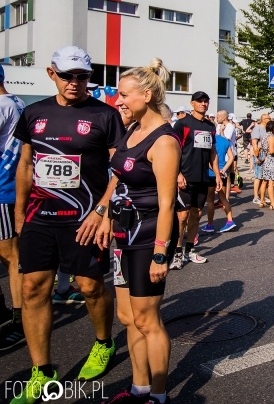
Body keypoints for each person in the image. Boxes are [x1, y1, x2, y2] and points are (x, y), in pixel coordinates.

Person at [12, 46, 125, 402]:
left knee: (90, 288)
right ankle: (41, 371)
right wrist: (19, 211)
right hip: (38, 216)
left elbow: (121, 168)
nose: (75, 83)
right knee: (32, 289)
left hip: (85, 219)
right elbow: (26, 164)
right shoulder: (33, 113)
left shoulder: (104, 115)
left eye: (82, 76)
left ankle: (103, 343)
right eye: (67, 75)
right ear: (52, 74)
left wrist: (103, 210)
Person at [95, 60, 180, 404]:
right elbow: (119, 175)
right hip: (123, 233)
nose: (118, 100)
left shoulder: (164, 141)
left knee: (147, 320)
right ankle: (139, 388)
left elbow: (167, 204)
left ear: (146, 95)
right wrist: (103, 213)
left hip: (149, 235)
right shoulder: (131, 130)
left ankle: (158, 397)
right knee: (127, 317)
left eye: (124, 94)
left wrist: (161, 253)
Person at [170, 91, 222, 270]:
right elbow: (173, 151)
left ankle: (189, 250)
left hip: (202, 177)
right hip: (185, 177)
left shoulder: (210, 126)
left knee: (196, 214)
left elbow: (212, 153)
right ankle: (176, 253)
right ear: (192, 104)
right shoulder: (182, 124)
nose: (203, 104)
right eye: (199, 101)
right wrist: (177, 174)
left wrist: (216, 173)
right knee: (181, 216)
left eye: (206, 101)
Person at [0, 65, 26, 351]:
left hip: (3, 188)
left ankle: (19, 318)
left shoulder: (3, 104)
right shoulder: (16, 101)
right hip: (8, 185)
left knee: (10, 256)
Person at [200, 128, 237, 234]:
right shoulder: (224, 140)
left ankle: (210, 224)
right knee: (223, 198)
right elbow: (231, 157)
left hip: (211, 174)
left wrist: (216, 171)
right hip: (223, 173)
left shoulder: (207, 140)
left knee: (210, 199)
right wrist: (223, 170)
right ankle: (230, 220)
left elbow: (207, 159)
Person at [259, 120, 274, 210]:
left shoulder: (265, 136)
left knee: (265, 181)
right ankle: (273, 204)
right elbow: (272, 151)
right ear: (273, 128)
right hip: (272, 161)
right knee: (271, 183)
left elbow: (266, 148)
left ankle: (262, 201)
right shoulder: (271, 137)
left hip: (266, 160)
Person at [251, 114, 269, 204]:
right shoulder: (257, 128)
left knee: (264, 176)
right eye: (267, 118)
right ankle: (255, 196)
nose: (269, 119)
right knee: (258, 176)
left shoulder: (267, 129)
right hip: (259, 153)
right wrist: (257, 155)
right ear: (263, 119)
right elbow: (254, 142)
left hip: (266, 153)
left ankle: (263, 195)